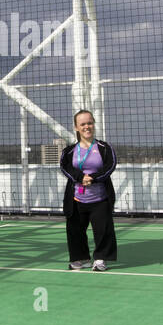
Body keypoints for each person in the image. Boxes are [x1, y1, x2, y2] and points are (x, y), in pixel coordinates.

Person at [59, 110, 118, 271]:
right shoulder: (69, 151)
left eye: (89, 123)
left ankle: (100, 258)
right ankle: (81, 258)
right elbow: (65, 168)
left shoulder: (104, 148)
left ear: (94, 124)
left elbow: (110, 166)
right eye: (83, 124)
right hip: (76, 199)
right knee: (75, 230)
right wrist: (80, 177)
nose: (87, 127)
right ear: (76, 127)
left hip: (100, 198)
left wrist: (93, 178)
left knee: (103, 229)